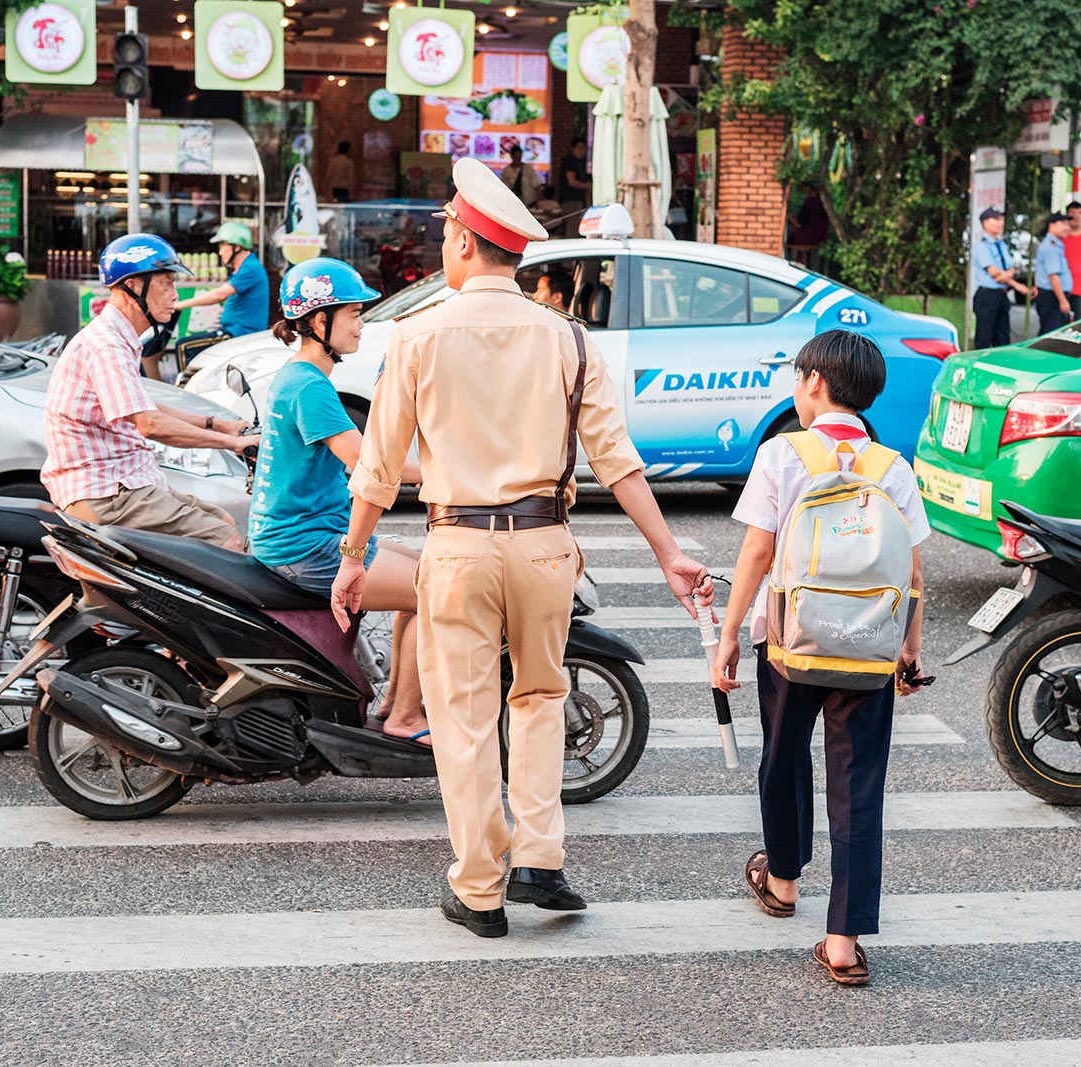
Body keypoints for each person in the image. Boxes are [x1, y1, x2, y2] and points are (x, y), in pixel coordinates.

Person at [329, 157, 713, 938]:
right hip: (545, 547)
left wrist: (353, 556)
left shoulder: (417, 334)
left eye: (446, 235)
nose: (442, 247)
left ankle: (479, 888)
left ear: (466, 244)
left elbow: (377, 468)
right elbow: (618, 459)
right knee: (539, 698)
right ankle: (542, 858)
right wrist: (671, 552)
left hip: (459, 546)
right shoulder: (568, 339)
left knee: (465, 718)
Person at [711, 329, 929, 987]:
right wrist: (909, 649)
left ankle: (781, 879)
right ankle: (843, 940)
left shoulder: (783, 453)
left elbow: (756, 552)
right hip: (866, 646)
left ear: (813, 383)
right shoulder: (892, 466)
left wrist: (727, 636)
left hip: (788, 641)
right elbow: (914, 570)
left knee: (783, 754)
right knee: (859, 781)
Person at [251, 258, 430, 744]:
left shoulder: (299, 377)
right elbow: (366, 463)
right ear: (317, 321)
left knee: (428, 569)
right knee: (436, 590)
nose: (361, 322)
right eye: (353, 313)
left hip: (309, 534)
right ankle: (406, 719)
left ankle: (395, 699)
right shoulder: (309, 385)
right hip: (304, 548)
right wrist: (445, 474)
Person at [41, 233, 251, 549]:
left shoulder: (119, 338)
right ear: (134, 286)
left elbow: (142, 406)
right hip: (107, 493)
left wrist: (220, 424)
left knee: (223, 520)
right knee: (225, 540)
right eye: (167, 284)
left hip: (124, 483)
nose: (174, 294)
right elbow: (149, 424)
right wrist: (234, 443)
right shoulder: (108, 346)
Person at [170, 221, 272, 376]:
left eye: (223, 246)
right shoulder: (245, 268)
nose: (220, 252)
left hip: (238, 335)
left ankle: (188, 396)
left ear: (236, 247)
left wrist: (181, 305)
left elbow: (219, 294)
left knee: (184, 346)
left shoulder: (250, 268)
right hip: (232, 331)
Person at [970, 207, 1026, 349]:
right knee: (984, 336)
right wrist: (1016, 285)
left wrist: (1006, 275)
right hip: (987, 295)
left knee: (1002, 336)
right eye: (996, 219)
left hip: (1001, 295)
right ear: (985, 222)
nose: (1000, 223)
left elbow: (1011, 268)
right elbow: (994, 273)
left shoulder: (1001, 244)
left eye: (1001, 219)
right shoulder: (981, 245)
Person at [1033, 212, 1073, 335]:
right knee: (1051, 335)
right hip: (1052, 297)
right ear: (1052, 225)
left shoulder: (1055, 245)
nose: (1067, 228)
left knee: (1052, 333)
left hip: (1051, 295)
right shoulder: (1050, 248)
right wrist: (1062, 300)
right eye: (1063, 224)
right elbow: (1053, 276)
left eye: (1068, 224)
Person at [559, 138, 590, 214]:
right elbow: (572, 182)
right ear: (572, 149)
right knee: (573, 224)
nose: (581, 151)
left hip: (580, 200)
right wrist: (587, 186)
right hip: (570, 200)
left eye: (584, 149)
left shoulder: (582, 163)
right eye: (579, 148)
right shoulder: (569, 161)